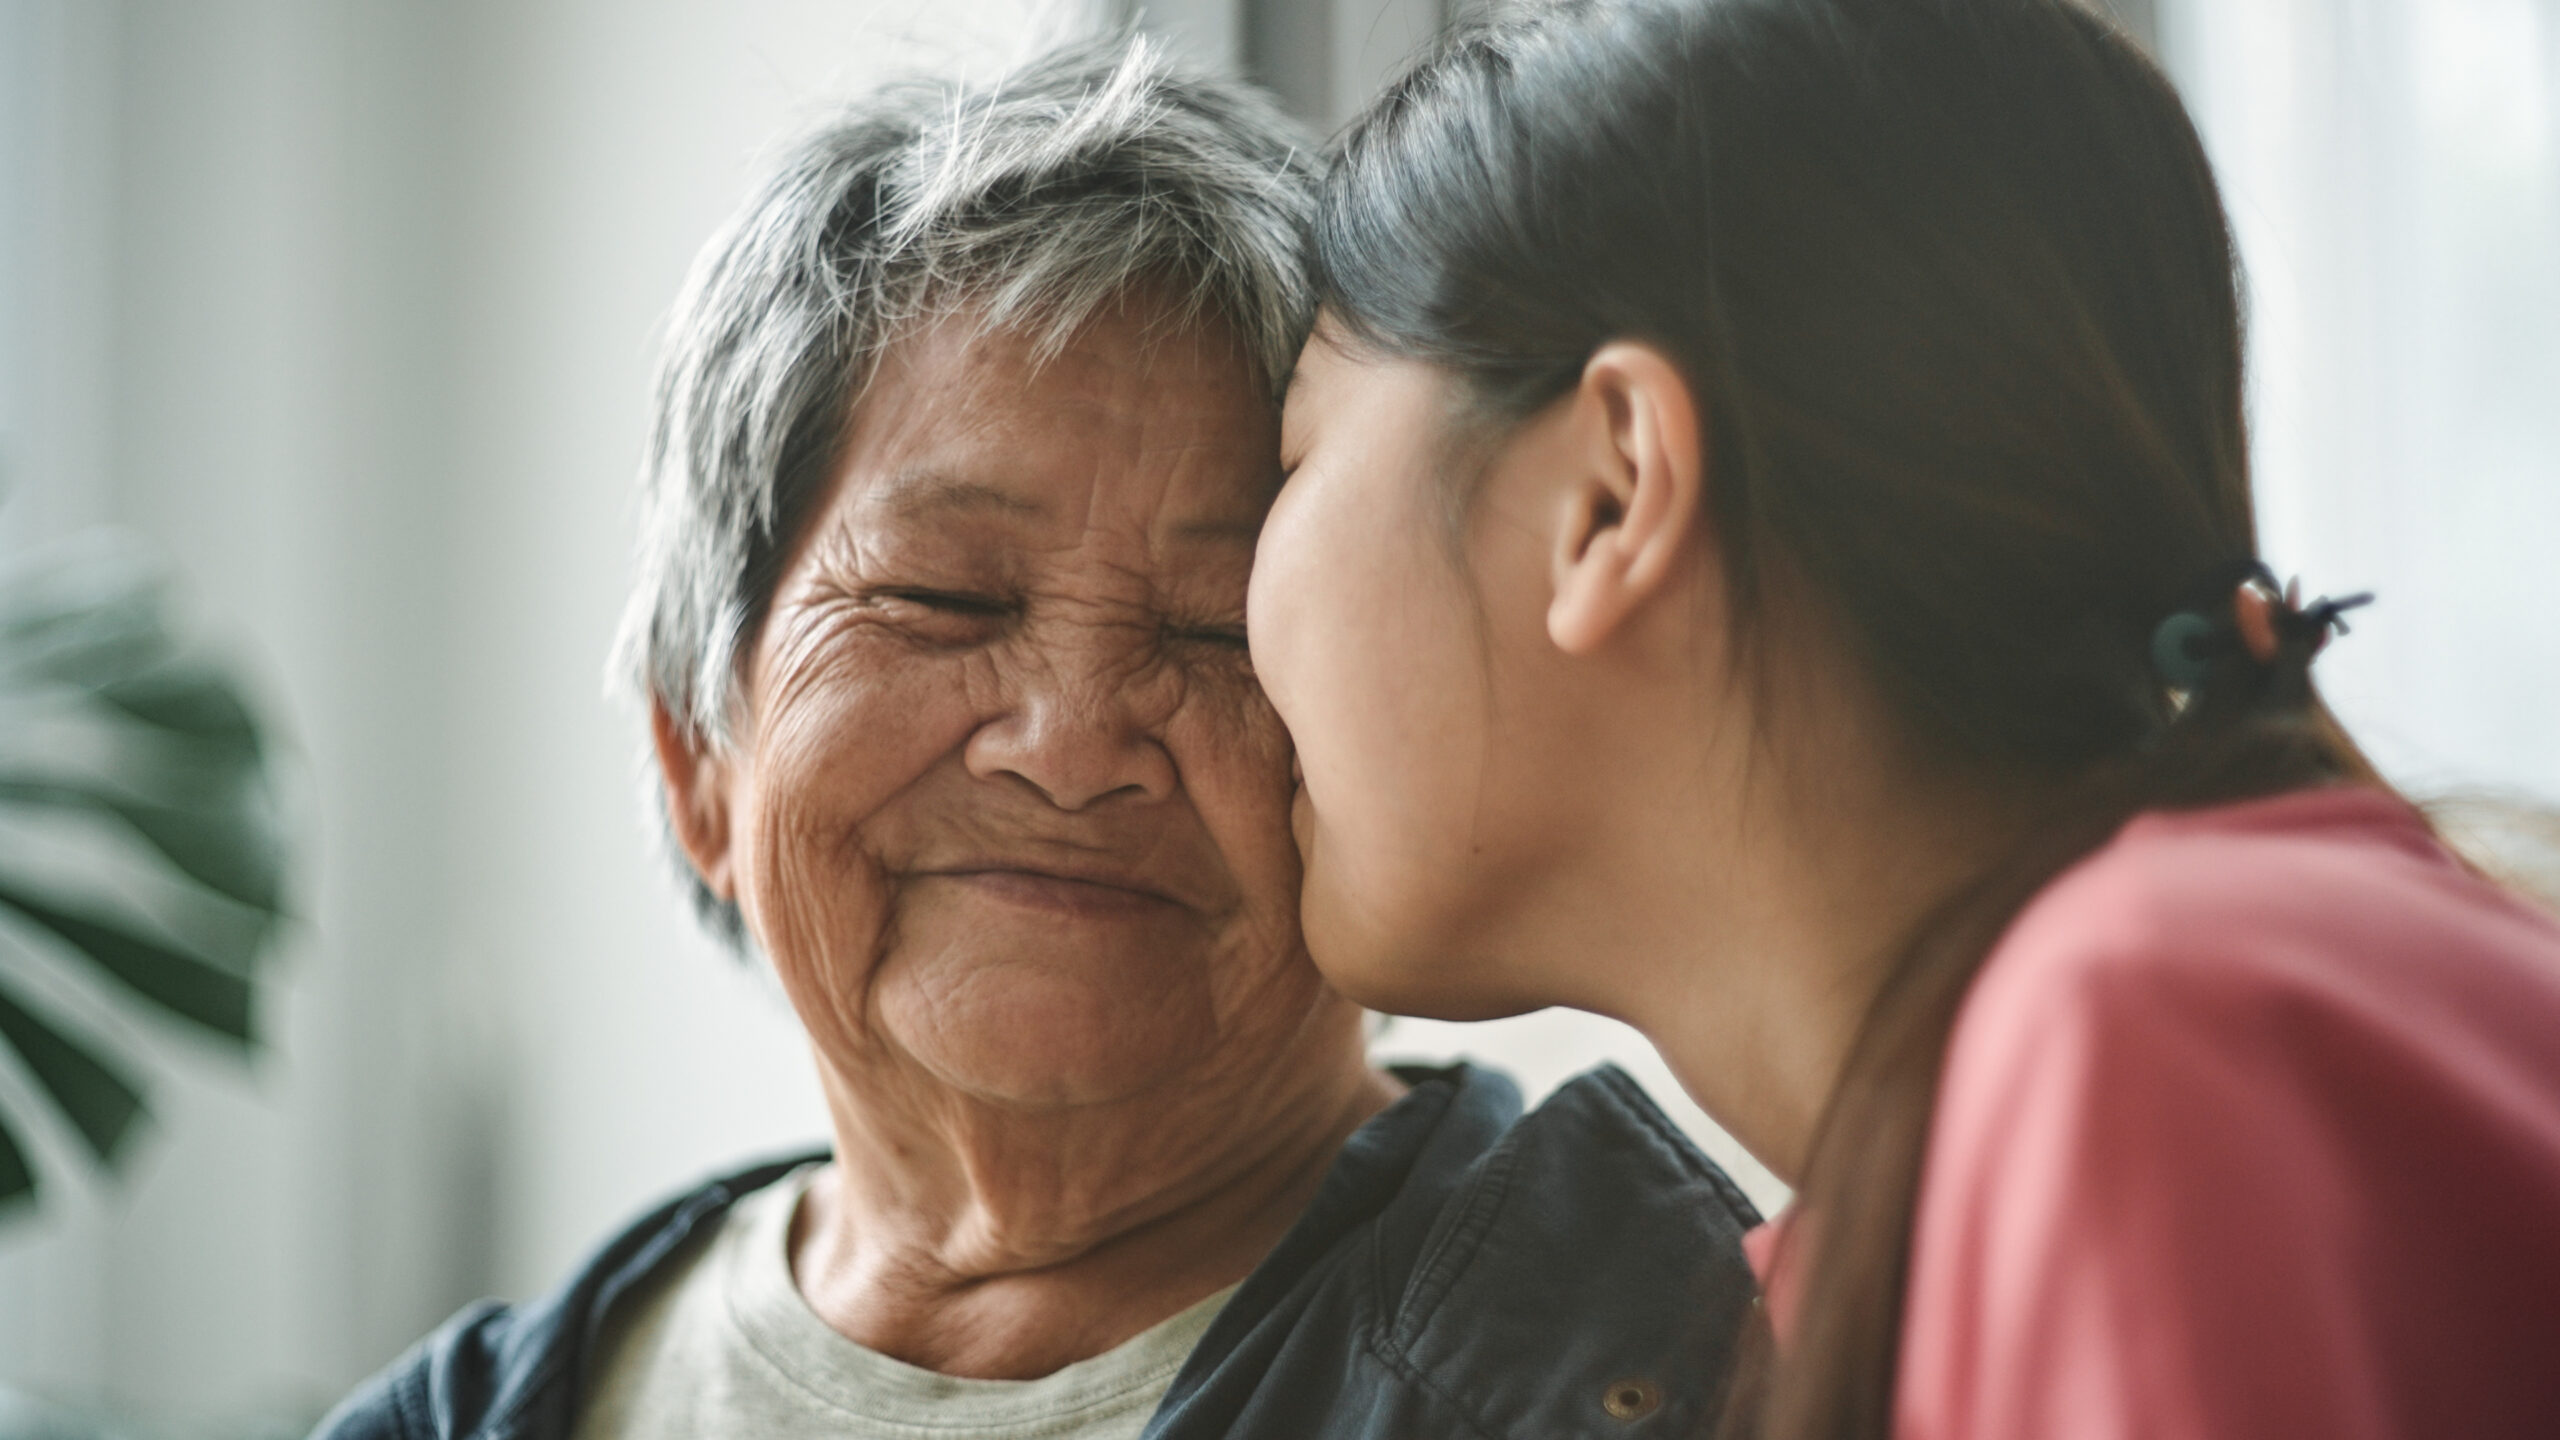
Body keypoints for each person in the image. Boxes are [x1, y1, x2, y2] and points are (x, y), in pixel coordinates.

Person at [310, 35, 1762, 1440]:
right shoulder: (468, 1419)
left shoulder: (1690, 1364)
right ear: (701, 757)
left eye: (1218, 632)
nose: (1071, 746)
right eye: (941, 598)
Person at [1245, 1, 2560, 1436]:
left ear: (1610, 495)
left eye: (1294, 451)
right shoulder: (2000, 1147)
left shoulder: (2137, 1045)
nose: (1223, 612)